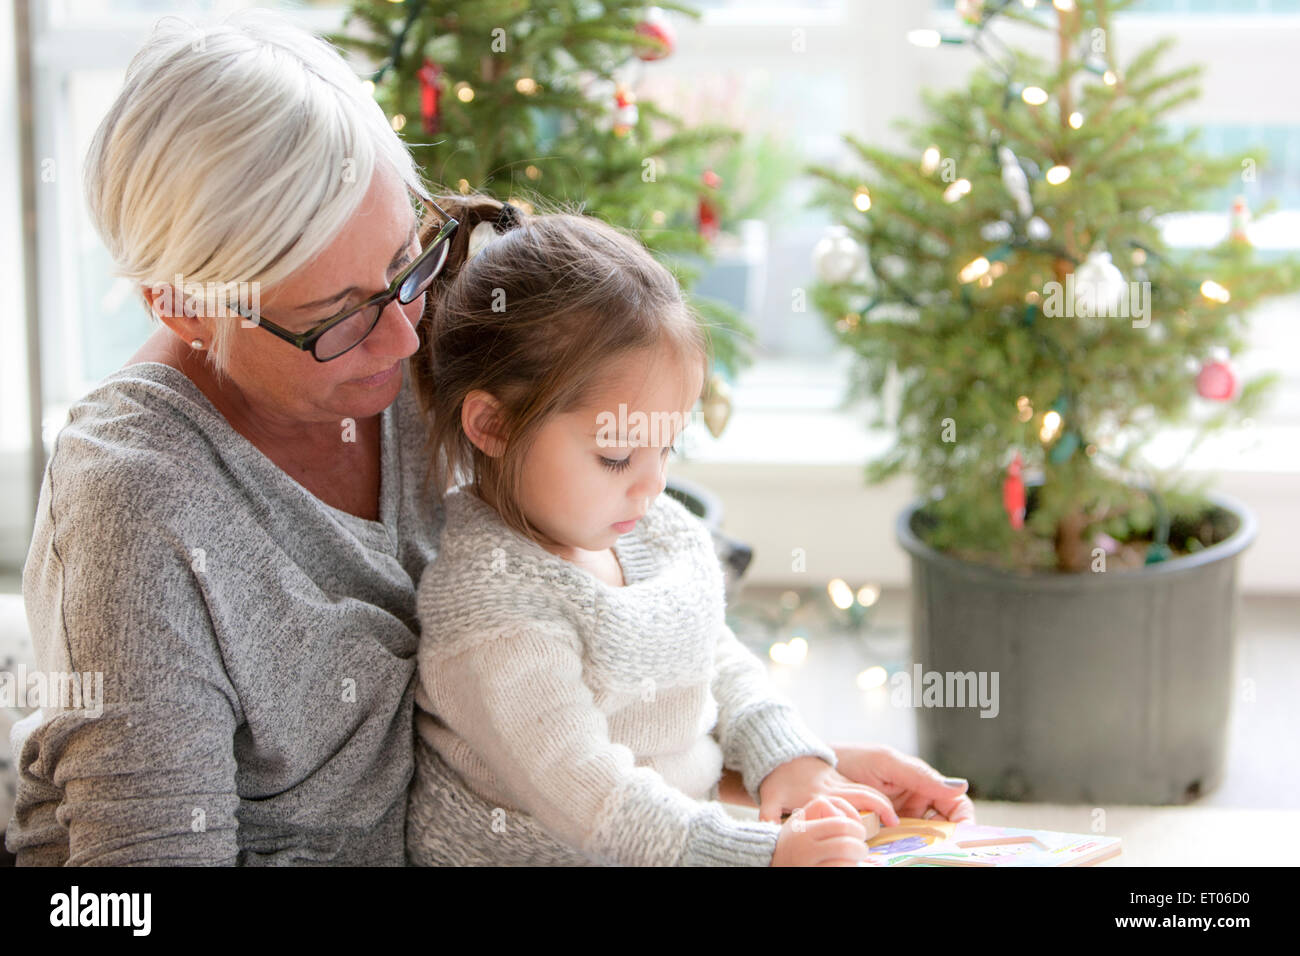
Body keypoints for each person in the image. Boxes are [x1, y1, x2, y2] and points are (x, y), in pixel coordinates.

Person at [5, 9, 971, 867]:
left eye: (402, 264)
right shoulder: (134, 512)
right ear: (182, 302)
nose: (402, 336)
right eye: (338, 314)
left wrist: (778, 764)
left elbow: (565, 679)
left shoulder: (428, 333)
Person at [403, 198, 971, 866]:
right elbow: (598, 799)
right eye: (616, 455)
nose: (650, 485)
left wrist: (787, 758)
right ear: (493, 426)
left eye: (666, 448)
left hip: (676, 841)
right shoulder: (489, 612)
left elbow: (709, 655)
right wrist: (763, 854)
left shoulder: (649, 529)